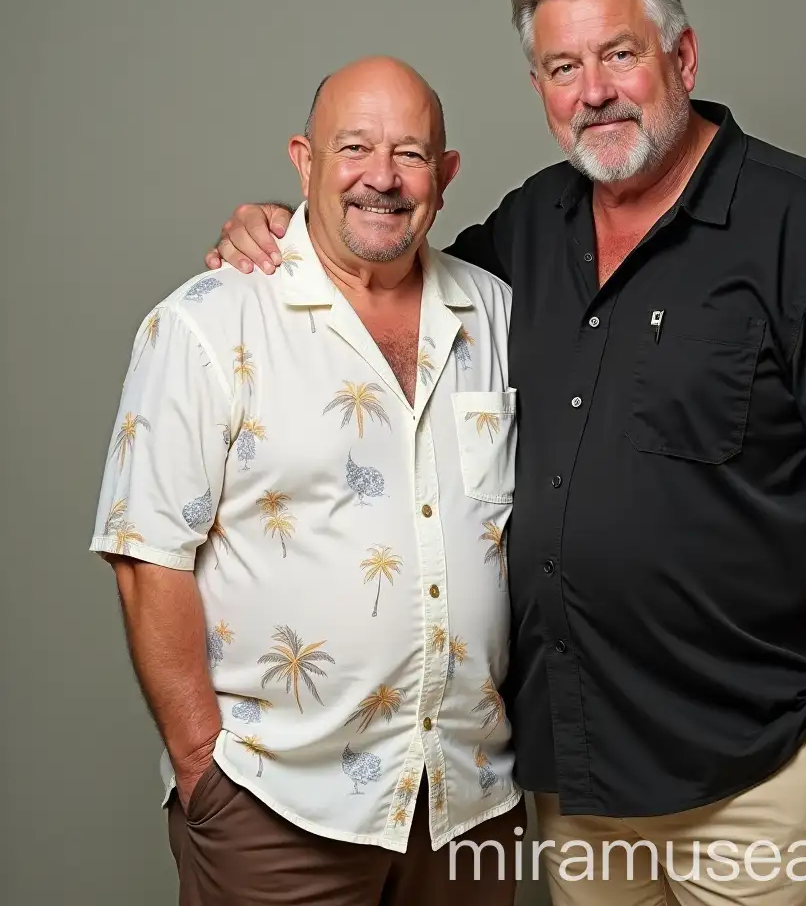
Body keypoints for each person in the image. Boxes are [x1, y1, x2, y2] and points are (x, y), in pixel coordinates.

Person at [204, 0, 806, 905]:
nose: (593, 90)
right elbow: (381, 261)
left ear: (681, 59)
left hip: (756, 776)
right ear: (540, 87)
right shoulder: (525, 232)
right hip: (574, 779)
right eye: (563, 67)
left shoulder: (804, 227)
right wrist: (284, 222)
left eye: (619, 55)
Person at [90, 56, 526, 906]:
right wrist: (202, 775)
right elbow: (147, 558)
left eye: (409, 153)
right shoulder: (207, 324)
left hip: (468, 803)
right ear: (304, 161)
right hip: (276, 806)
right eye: (354, 148)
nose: (382, 177)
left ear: (446, 174)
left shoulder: (500, 314)